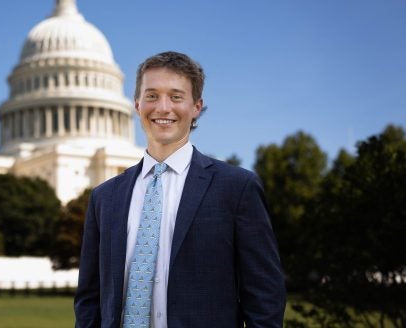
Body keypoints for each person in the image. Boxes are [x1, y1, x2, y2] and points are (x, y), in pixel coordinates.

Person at [74, 51, 286, 327]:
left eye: (176, 96)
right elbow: (89, 298)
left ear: (196, 106)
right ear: (136, 104)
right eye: (151, 96)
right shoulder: (105, 197)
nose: (163, 107)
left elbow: (265, 297)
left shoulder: (236, 188)